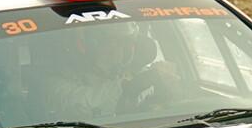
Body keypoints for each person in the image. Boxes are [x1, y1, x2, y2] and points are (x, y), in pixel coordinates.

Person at [47, 22, 180, 121]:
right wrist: (132, 86)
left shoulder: (140, 74)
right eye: (110, 42)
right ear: (90, 45)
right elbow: (88, 103)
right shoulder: (58, 84)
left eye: (125, 43)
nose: (119, 49)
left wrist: (169, 85)